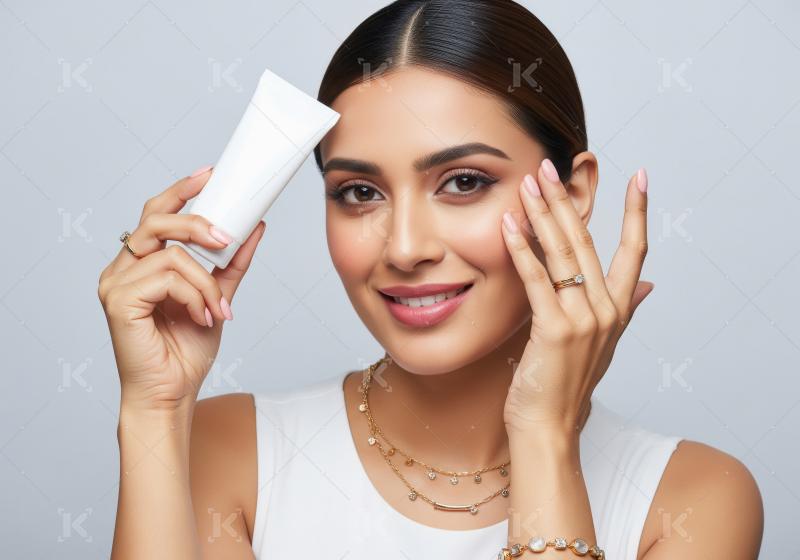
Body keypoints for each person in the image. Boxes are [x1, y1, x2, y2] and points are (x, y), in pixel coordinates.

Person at [98, 1, 764, 558]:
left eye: (464, 182)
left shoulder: (692, 499)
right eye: (359, 192)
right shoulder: (227, 451)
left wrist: (545, 435)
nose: (406, 248)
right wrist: (152, 408)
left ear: (576, 193)